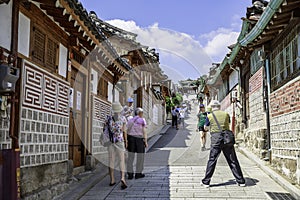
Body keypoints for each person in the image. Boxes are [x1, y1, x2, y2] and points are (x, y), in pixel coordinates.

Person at [201, 100, 245, 188]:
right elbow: (228, 123)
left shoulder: (209, 116)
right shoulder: (226, 114)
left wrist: (211, 128)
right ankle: (241, 181)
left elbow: (205, 128)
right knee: (232, 160)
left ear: (212, 107)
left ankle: (206, 182)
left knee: (212, 160)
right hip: (226, 138)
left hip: (216, 139)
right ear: (219, 107)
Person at [106, 102, 128, 189]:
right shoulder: (123, 119)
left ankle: (112, 179)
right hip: (120, 141)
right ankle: (122, 178)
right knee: (121, 160)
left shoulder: (108, 119)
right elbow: (125, 131)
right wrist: (126, 141)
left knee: (111, 161)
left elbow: (105, 129)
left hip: (111, 142)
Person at [126, 108, 148, 179]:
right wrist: (145, 141)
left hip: (131, 139)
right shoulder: (142, 120)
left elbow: (127, 130)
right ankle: (138, 174)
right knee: (140, 157)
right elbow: (144, 131)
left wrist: (126, 141)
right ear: (140, 113)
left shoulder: (130, 120)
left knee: (130, 157)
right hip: (139, 139)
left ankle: (130, 174)